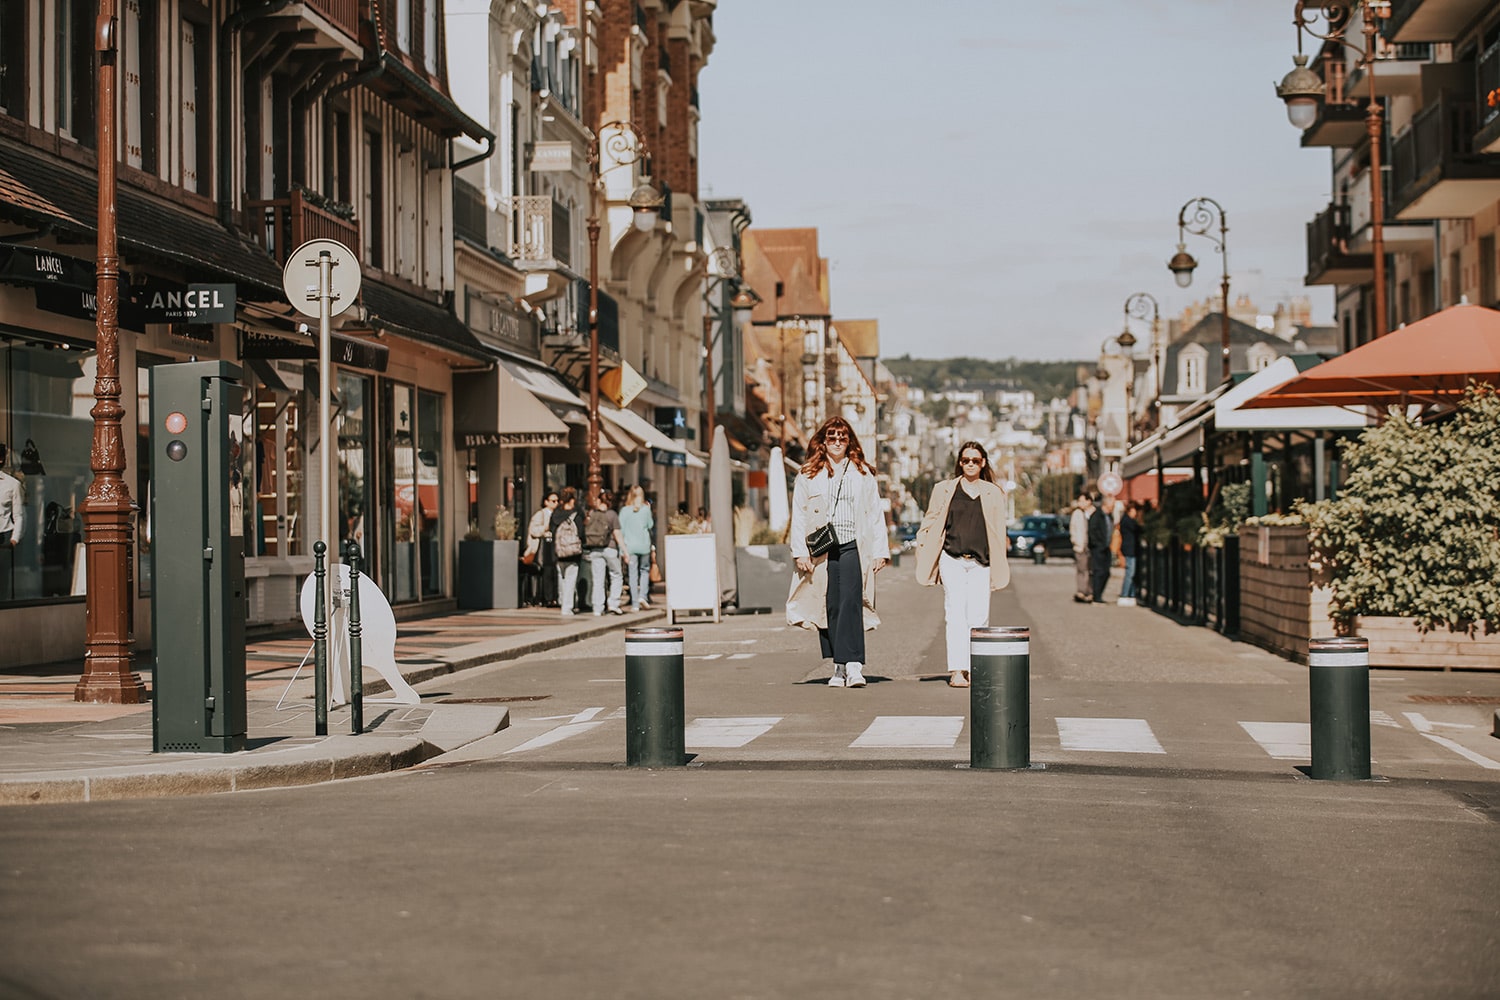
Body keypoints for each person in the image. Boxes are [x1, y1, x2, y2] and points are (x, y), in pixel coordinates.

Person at [787, 416, 890, 688]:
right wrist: (800, 552)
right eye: (831, 438)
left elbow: (875, 513)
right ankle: (839, 665)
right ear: (823, 441)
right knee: (829, 605)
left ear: (849, 442)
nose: (837, 443)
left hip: (853, 544)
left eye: (842, 438)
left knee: (851, 603)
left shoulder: (862, 473)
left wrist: (881, 550)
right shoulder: (808, 474)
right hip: (822, 548)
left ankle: (854, 666)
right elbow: (798, 515)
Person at [913, 441, 1011, 688]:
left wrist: (1000, 561)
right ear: (959, 462)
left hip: (981, 561)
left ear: (983, 463)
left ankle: (975, 667)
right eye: (966, 460)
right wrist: (922, 545)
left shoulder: (993, 493)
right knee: (955, 613)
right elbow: (931, 519)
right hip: (952, 558)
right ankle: (957, 670)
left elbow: (999, 531)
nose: (970, 464)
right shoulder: (944, 489)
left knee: (979, 616)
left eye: (975, 461)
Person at [583, 490, 626, 616]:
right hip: (610, 548)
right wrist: (624, 550)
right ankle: (613, 603)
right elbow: (617, 534)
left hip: (595, 549)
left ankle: (598, 608)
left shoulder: (592, 513)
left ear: (600, 500)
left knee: (598, 579)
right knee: (616, 575)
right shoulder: (612, 514)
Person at [617, 485, 655, 610]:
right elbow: (650, 525)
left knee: (632, 575)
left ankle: (635, 604)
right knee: (644, 571)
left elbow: (620, 531)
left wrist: (622, 550)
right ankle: (643, 595)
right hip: (644, 545)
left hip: (630, 547)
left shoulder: (624, 511)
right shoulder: (645, 510)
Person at [550, 488, 584, 615]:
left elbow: (552, 532)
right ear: (573, 500)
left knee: (562, 578)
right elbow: (581, 533)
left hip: (559, 552)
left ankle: (562, 602)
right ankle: (567, 607)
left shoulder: (555, 515)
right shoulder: (576, 515)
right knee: (570, 579)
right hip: (573, 552)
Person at [524, 491, 559, 607]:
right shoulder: (540, 514)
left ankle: (554, 597)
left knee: (554, 572)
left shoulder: (558, 514)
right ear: (546, 502)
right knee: (546, 571)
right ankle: (546, 598)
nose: (556, 503)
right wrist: (546, 528)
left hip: (554, 546)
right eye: (553, 501)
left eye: (558, 501)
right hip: (542, 548)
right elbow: (533, 530)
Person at [0, 445, 21, 601]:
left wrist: (14, 539)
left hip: (4, 537)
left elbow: (19, 514)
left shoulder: (12, 484)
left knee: (3, 580)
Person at [1087, 491, 1112, 603]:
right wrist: (1097, 544)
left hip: (1106, 548)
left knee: (1106, 572)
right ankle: (1096, 596)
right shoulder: (1097, 515)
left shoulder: (1109, 516)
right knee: (1098, 572)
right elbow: (1092, 531)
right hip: (1098, 548)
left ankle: (1099, 594)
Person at [1069, 492, 1093, 603]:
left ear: (1089, 501)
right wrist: (1075, 542)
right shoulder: (1077, 514)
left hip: (1091, 546)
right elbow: (1073, 528)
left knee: (1089, 570)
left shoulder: (1092, 512)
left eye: (1082, 501)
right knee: (1082, 569)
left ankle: (1089, 591)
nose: (1080, 503)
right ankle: (1081, 591)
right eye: (1079, 501)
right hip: (1080, 546)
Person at [1117, 500, 1142, 606]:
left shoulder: (1125, 520)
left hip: (1130, 549)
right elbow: (1138, 529)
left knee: (1132, 573)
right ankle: (1125, 594)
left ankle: (1131, 594)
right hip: (1130, 549)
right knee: (1130, 573)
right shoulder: (1128, 521)